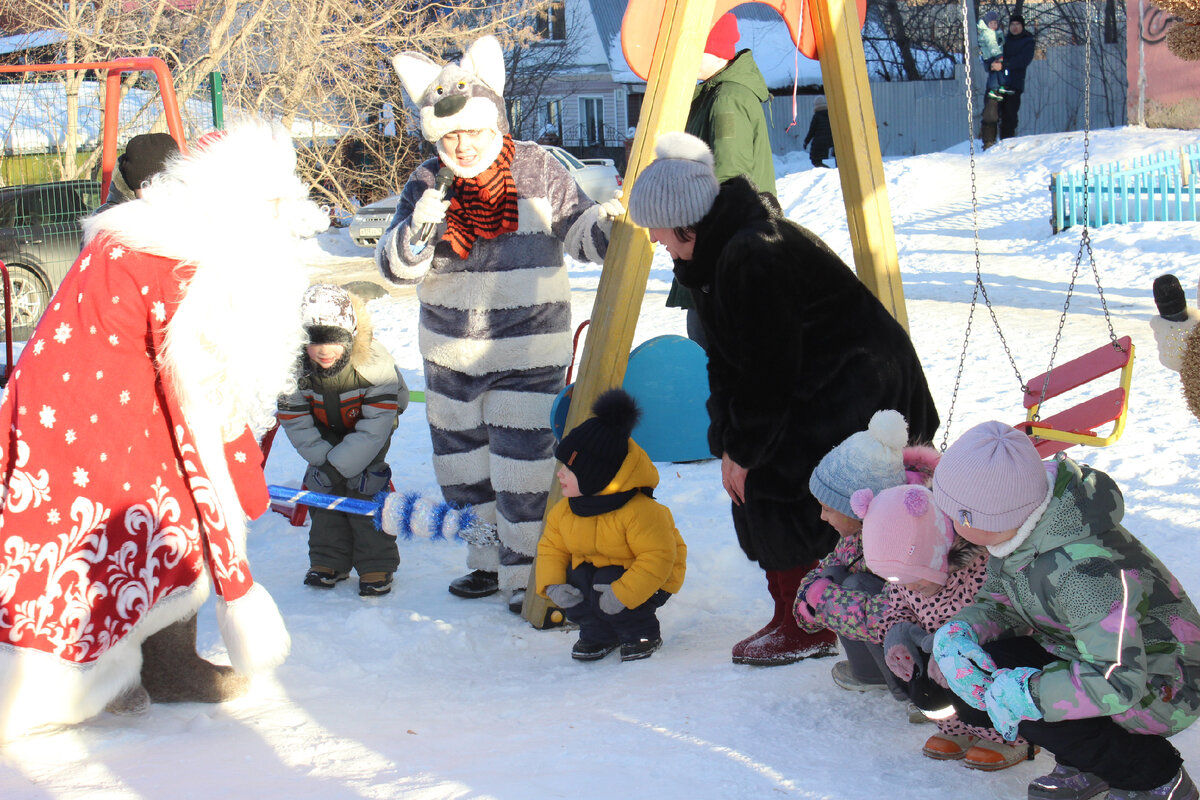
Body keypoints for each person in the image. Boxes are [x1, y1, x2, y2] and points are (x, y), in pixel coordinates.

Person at [0, 120, 329, 739]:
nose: (281, 221)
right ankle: (114, 674)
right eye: (271, 207)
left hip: (103, 404)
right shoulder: (180, 258)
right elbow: (203, 391)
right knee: (158, 520)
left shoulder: (165, 234)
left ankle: (143, 669)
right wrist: (232, 468)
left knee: (144, 525)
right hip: (91, 416)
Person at [627, 131, 940, 666]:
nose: (653, 238)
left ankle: (808, 620)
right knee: (757, 471)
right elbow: (728, 362)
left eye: (655, 226)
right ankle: (800, 608)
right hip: (819, 376)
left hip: (862, 381)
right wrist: (729, 442)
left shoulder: (753, 254)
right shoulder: (717, 255)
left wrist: (746, 451)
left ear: (683, 220)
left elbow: (768, 373)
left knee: (777, 479)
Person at [378, 36, 622, 613]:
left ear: (494, 123)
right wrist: (417, 231)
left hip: (526, 351)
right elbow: (393, 270)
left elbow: (581, 233)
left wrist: (613, 227)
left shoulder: (534, 167)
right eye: (450, 136)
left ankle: (527, 576)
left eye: (473, 131)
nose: (462, 145)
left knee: (524, 472)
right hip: (450, 356)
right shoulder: (426, 181)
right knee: (462, 471)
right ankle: (487, 561)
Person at [930, 421, 1200, 799]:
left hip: (1164, 683)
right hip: (1090, 655)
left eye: (954, 515)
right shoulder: (1022, 530)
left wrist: (1030, 694)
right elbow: (1001, 604)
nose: (949, 525)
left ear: (981, 519)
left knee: (1028, 702)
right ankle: (1088, 761)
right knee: (990, 668)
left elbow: (1118, 679)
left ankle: (1154, 778)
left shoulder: (1084, 573)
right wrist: (961, 633)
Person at [855, 483, 1036, 771]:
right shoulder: (906, 579)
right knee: (915, 672)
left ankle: (1011, 737)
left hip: (976, 649)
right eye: (899, 582)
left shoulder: (980, 569)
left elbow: (1002, 619)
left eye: (916, 580)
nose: (910, 588)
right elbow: (896, 607)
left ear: (937, 552)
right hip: (934, 653)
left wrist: (953, 649)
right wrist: (897, 633)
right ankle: (956, 729)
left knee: (976, 673)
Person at [793, 409, 937, 704]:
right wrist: (810, 598)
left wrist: (825, 601)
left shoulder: (906, 542)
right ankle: (873, 674)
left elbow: (890, 614)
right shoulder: (857, 536)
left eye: (828, 508)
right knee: (836, 576)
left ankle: (915, 689)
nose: (822, 517)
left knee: (854, 586)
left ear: (857, 508)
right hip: (893, 638)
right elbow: (828, 568)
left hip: (925, 649)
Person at [535, 389, 687, 662]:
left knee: (606, 580)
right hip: (604, 574)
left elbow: (658, 559)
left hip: (655, 579)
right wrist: (554, 584)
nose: (560, 474)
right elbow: (551, 549)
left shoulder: (641, 512)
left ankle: (641, 633)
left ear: (596, 475)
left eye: (569, 469)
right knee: (577, 578)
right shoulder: (564, 512)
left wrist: (622, 593)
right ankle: (598, 633)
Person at [277, 284, 409, 597]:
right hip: (323, 429)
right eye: (315, 341)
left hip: (371, 426)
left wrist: (338, 467)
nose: (324, 350)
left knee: (365, 485)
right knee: (322, 487)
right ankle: (328, 560)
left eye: (334, 340)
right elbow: (295, 419)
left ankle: (376, 563)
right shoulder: (291, 369)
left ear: (350, 337)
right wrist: (324, 463)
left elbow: (375, 426)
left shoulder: (373, 364)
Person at [668, 11, 778, 350]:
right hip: (720, 258)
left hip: (723, 261)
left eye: (688, 48)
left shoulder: (726, 99)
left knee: (717, 358)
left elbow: (731, 182)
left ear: (707, 47)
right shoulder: (715, 95)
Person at [982, 15, 1036, 149]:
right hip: (996, 84)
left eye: (1018, 24)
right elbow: (989, 55)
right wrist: (991, 65)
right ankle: (988, 144)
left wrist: (1004, 64)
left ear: (1022, 26)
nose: (1015, 27)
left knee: (1009, 118)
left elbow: (1023, 60)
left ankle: (1007, 146)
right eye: (1012, 24)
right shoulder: (1002, 40)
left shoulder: (1028, 42)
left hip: (1013, 85)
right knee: (990, 115)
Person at [977, 11, 1010, 101]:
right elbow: (992, 45)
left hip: (994, 54)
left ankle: (1001, 85)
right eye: (991, 23)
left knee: (1000, 70)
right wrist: (999, 55)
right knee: (995, 71)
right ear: (987, 24)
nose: (993, 25)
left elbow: (1001, 42)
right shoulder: (988, 33)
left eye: (995, 23)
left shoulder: (996, 32)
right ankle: (994, 88)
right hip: (990, 56)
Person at [802, 95, 834, 168]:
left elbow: (811, 131)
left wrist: (806, 142)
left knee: (815, 161)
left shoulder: (816, 116)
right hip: (828, 142)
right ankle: (827, 170)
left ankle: (827, 170)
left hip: (818, 143)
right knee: (819, 161)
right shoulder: (830, 115)